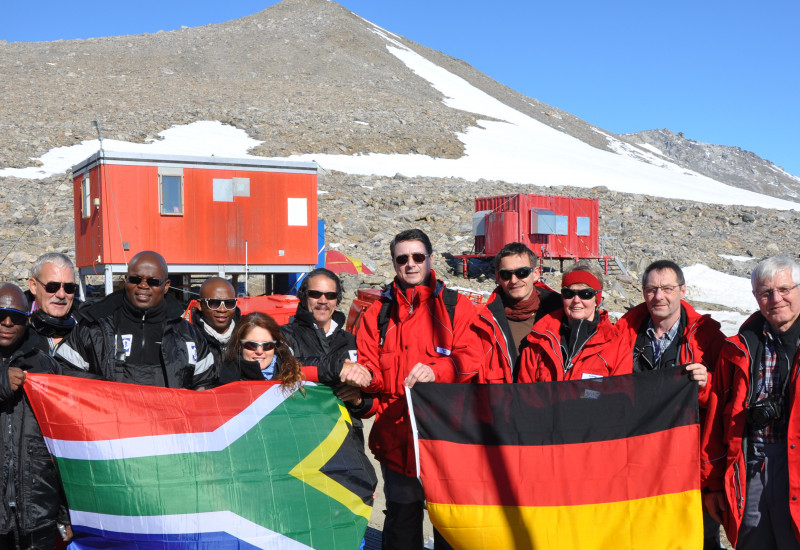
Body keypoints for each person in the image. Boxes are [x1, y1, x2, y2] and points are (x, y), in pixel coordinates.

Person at [345, 228, 482, 550]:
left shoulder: (455, 307)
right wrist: (362, 377)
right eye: (402, 258)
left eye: (417, 257)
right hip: (397, 438)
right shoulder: (376, 314)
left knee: (452, 524)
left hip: (447, 438)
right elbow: (372, 368)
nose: (410, 264)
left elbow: (472, 359)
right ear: (394, 263)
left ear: (430, 259)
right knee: (402, 522)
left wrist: (437, 371)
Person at [616, 260, 725, 549]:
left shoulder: (708, 336)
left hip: (689, 461)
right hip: (638, 458)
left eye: (667, 288)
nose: (658, 296)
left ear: (682, 290)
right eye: (651, 289)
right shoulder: (622, 333)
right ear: (643, 292)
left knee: (699, 535)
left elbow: (725, 395)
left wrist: (706, 385)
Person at [702, 255, 800, 549]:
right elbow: (718, 419)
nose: (776, 299)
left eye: (784, 289)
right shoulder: (738, 347)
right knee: (751, 540)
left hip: (794, 463)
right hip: (750, 465)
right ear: (756, 297)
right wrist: (714, 483)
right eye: (766, 292)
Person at [56, 251, 215, 389]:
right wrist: (103, 388)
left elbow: (207, 382)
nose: (143, 286)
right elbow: (62, 373)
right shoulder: (93, 328)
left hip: (169, 422)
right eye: (135, 279)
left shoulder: (189, 335)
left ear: (166, 286)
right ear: (126, 280)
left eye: (153, 281)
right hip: (110, 422)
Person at [0, 283, 71, 548]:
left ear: (27, 320)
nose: (7, 322)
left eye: (16, 317)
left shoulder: (46, 367)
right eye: (0, 315)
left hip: (38, 512)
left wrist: (65, 512)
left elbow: (63, 442)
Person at [280, 268, 373, 417]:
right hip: (301, 427)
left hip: (347, 435)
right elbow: (281, 370)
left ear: (337, 300)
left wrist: (359, 400)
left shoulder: (353, 342)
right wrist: (338, 367)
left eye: (330, 295)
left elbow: (373, 403)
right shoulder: (283, 336)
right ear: (303, 297)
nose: (323, 301)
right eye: (315, 294)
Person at [517, 262, 626, 382]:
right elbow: (525, 392)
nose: (576, 300)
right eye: (569, 293)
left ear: (597, 299)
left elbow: (619, 396)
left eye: (585, 294)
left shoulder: (616, 345)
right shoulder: (540, 339)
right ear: (563, 297)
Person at [471, 242, 560, 383]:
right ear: (498, 278)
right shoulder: (482, 321)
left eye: (522, 272)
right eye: (506, 274)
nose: (514, 280)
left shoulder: (559, 315)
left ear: (536, 273)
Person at [218, 312, 303, 387]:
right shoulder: (226, 382)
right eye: (251, 345)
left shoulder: (294, 372)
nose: (259, 351)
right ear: (240, 346)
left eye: (267, 345)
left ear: (275, 346)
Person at [25, 253, 81, 356]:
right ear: (33, 286)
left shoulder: (89, 325)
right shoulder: (11, 325)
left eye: (69, 288)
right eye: (52, 287)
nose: (61, 295)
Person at [192, 277, 240, 368]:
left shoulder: (246, 334)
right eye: (213, 303)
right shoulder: (189, 339)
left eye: (229, 303)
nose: (222, 309)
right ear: (200, 305)